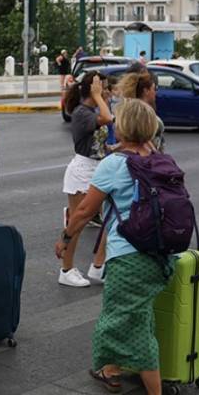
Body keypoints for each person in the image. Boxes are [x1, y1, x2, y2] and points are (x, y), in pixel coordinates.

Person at [55, 99, 169, 395]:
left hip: (128, 258)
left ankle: (150, 388)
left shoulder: (114, 164)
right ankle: (111, 370)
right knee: (135, 315)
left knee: (121, 321)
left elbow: (83, 212)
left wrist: (66, 238)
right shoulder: (158, 159)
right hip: (160, 254)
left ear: (124, 126)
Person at [59, 71, 112, 287]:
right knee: (78, 223)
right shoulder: (82, 112)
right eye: (103, 87)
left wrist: (113, 148)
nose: (107, 92)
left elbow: (98, 142)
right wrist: (99, 96)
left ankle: (98, 267)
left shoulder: (92, 110)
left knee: (109, 218)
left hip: (98, 168)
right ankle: (66, 269)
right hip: (82, 171)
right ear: (93, 89)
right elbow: (108, 119)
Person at [117, 70, 164, 152]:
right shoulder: (142, 115)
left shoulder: (130, 111)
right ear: (146, 91)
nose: (155, 92)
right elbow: (141, 139)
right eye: (154, 89)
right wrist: (155, 153)